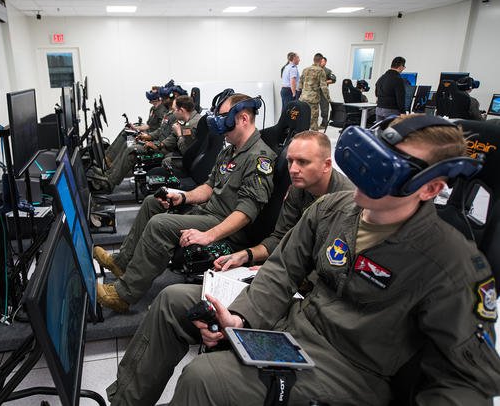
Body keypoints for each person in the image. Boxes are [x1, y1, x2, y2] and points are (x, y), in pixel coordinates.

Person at [105, 114, 500, 405]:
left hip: (350, 370)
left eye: (388, 167)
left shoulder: (451, 263)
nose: (365, 174)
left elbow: (469, 380)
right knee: (174, 300)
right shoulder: (334, 209)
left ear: (431, 187)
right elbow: (282, 268)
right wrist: (240, 320)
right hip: (296, 327)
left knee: (204, 378)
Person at [95, 93, 277, 313]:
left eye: (224, 118)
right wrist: (182, 197)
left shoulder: (260, 158)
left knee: (159, 225)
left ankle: (124, 295)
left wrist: (209, 235)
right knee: (154, 203)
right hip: (207, 212)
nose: (220, 125)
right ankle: (122, 263)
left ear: (244, 119)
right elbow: (209, 186)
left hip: (226, 226)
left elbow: (247, 212)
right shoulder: (230, 151)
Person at [213, 130, 352, 271]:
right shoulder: (298, 189)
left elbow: (334, 265)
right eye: (290, 161)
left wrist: (279, 271)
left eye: (303, 162)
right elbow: (280, 238)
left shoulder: (347, 203)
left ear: (327, 165)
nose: (293, 169)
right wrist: (245, 255)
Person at [299, 53, 330, 131]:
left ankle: (302, 135)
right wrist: (328, 98)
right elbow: (324, 86)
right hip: (313, 99)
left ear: (314, 60)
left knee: (303, 117)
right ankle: (314, 138)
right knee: (313, 120)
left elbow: (300, 83)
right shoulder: (320, 71)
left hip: (303, 98)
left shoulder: (305, 70)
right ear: (320, 61)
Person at [375, 56, 406, 121]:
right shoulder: (398, 79)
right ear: (400, 67)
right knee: (391, 130)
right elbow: (400, 98)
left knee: (379, 130)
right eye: (404, 67)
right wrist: (403, 112)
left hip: (379, 109)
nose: (403, 69)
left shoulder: (381, 78)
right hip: (391, 111)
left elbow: (376, 93)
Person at [319, 56, 336, 129]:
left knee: (324, 108)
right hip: (314, 92)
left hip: (323, 92)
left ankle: (324, 124)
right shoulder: (315, 70)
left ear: (325, 62)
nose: (321, 63)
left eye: (322, 61)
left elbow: (333, 80)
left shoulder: (328, 71)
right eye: (320, 61)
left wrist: (324, 82)